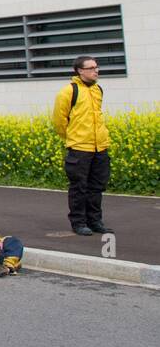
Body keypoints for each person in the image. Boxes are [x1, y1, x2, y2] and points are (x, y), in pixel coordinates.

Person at [53, 55, 113, 236]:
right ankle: (79, 222)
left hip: (100, 147)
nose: (96, 70)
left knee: (97, 187)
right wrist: (73, 137)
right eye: (91, 68)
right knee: (79, 187)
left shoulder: (98, 89)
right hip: (79, 148)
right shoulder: (69, 91)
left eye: (97, 67)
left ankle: (95, 221)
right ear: (80, 70)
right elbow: (59, 121)